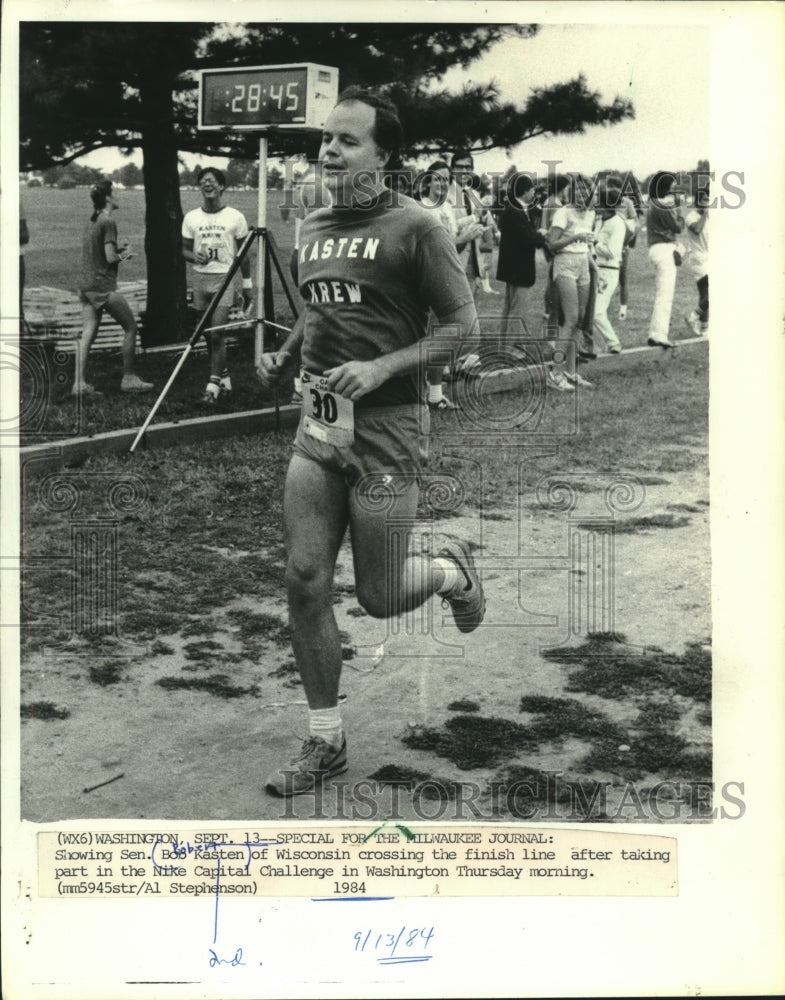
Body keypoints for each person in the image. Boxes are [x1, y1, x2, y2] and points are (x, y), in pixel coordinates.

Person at [256, 87, 485, 797]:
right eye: (326, 138)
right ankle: (324, 740)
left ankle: (449, 572)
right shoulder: (315, 222)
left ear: (384, 155)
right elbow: (322, 305)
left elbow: (463, 329)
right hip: (319, 424)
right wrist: (286, 349)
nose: (329, 150)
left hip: (388, 429)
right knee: (303, 578)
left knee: (380, 597)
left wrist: (381, 366)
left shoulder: (416, 227)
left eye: (346, 141)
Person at [72, 180, 153, 396]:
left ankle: (78, 385)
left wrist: (118, 248)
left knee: (87, 333)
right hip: (102, 286)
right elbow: (109, 258)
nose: (118, 195)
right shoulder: (108, 222)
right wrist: (125, 254)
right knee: (130, 327)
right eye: (115, 192)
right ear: (108, 197)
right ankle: (129, 379)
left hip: (85, 286)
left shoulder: (93, 220)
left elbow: (98, 251)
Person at [182, 166, 253, 405]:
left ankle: (211, 388)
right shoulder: (192, 217)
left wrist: (247, 284)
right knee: (206, 334)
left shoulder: (235, 217)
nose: (207, 184)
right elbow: (183, 249)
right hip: (200, 279)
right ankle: (224, 378)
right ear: (199, 187)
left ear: (222, 186)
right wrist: (194, 257)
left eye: (212, 181)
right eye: (203, 181)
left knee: (217, 333)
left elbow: (244, 254)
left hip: (224, 277)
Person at [546, 174, 597, 391]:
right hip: (564, 264)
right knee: (570, 318)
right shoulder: (563, 212)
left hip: (583, 264)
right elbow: (552, 244)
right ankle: (555, 373)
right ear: (572, 193)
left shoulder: (591, 214)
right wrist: (573, 238)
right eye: (580, 191)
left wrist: (596, 269)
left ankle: (571, 371)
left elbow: (586, 247)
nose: (584, 195)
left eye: (588, 191)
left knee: (581, 319)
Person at [496, 172, 546, 341]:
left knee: (510, 308)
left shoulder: (515, 209)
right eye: (532, 190)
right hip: (519, 269)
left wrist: (535, 234)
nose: (534, 194)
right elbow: (528, 238)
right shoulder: (516, 211)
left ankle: (506, 344)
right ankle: (512, 349)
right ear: (525, 191)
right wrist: (542, 236)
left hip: (513, 269)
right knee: (518, 310)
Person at [645, 171, 686, 349]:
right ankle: (659, 334)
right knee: (665, 294)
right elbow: (677, 228)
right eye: (671, 188)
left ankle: (657, 333)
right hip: (663, 248)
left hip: (658, 248)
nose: (673, 191)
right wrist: (681, 211)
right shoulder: (662, 206)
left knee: (662, 293)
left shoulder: (655, 204)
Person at [591, 189, 628, 354]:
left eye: (599, 201)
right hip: (595, 267)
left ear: (606, 206)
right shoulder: (599, 220)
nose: (595, 204)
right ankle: (598, 346)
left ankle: (614, 343)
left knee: (597, 311)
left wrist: (595, 243)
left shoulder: (617, 223)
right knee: (592, 310)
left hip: (608, 270)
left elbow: (613, 251)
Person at [682, 186, 709, 336]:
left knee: (705, 295)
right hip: (698, 258)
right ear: (698, 201)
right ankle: (693, 317)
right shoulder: (691, 216)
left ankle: (705, 329)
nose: (707, 202)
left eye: (709, 199)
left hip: (709, 257)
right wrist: (705, 215)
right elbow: (697, 230)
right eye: (704, 199)